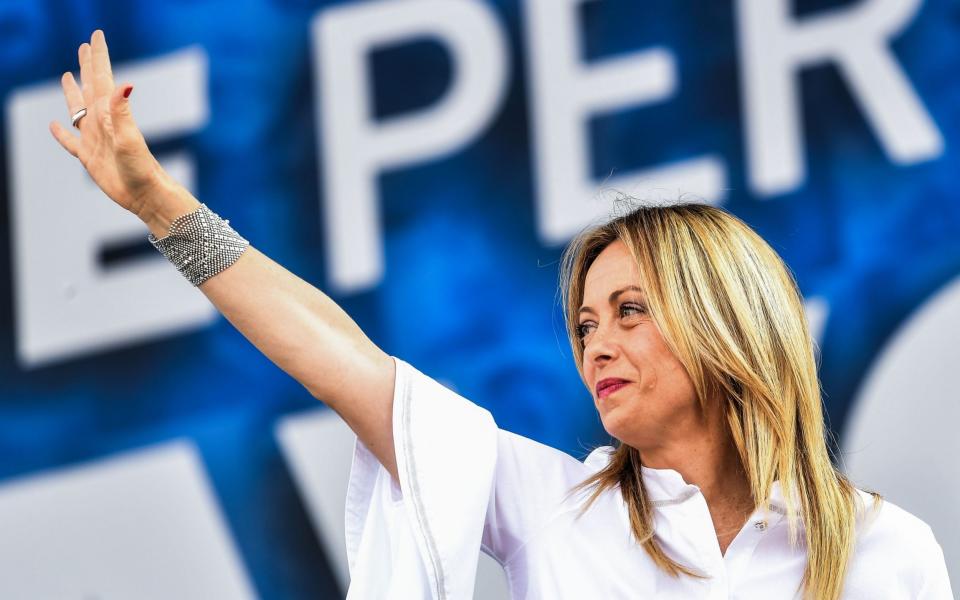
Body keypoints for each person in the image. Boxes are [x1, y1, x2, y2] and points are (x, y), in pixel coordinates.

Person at [50, 30, 953, 600]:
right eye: (586, 325)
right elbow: (340, 359)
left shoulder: (887, 551)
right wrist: (163, 208)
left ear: (729, 320)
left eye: (630, 309)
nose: (598, 342)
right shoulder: (550, 506)